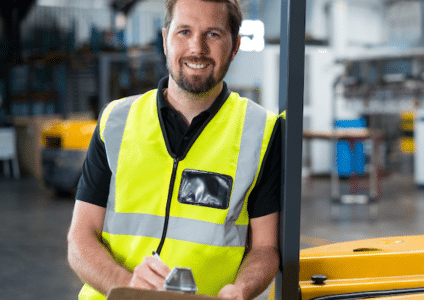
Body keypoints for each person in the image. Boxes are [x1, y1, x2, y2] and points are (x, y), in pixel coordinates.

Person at [67, 0, 281, 299]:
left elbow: (266, 248)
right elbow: (80, 239)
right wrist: (128, 286)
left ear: (235, 47)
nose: (197, 48)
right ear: (166, 39)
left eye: (213, 34)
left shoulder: (262, 132)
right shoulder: (116, 121)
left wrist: (242, 289)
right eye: (184, 32)